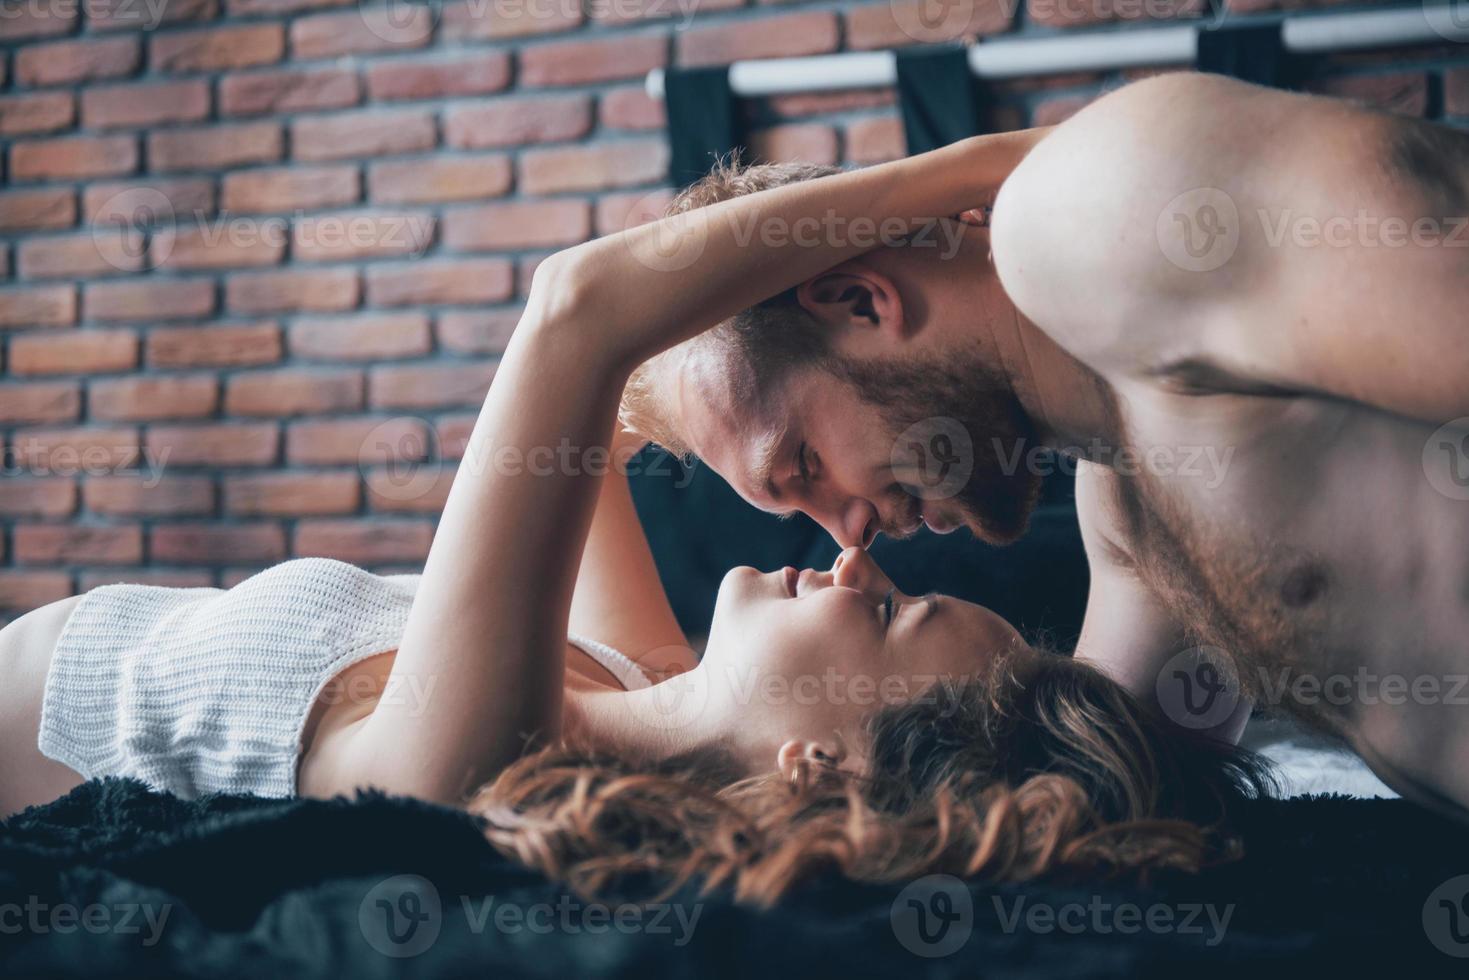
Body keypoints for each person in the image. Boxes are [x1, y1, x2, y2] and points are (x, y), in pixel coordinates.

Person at [0, 135, 1269, 903]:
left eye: (880, 611)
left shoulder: (477, 760)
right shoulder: (632, 665)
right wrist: (751, 368)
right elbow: (600, 409)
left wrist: (989, 173)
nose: (851, 548)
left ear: (820, 770)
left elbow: (578, 310)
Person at [618, 72, 1469, 818]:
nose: (848, 536)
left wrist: (582, 319)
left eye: (803, 465)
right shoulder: (1130, 511)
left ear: (856, 301)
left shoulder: (1085, 206)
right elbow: (1110, 784)